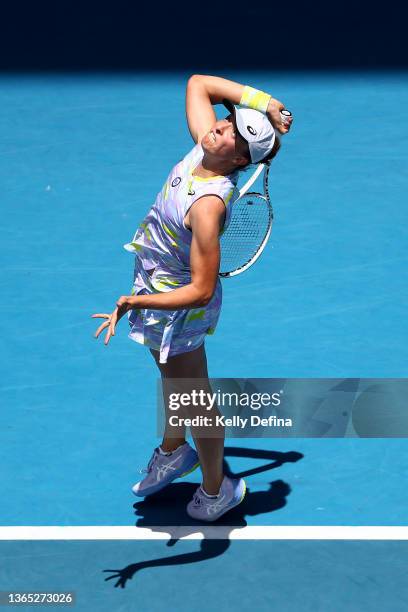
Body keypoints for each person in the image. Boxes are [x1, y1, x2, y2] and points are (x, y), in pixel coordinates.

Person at [92, 75, 292, 522]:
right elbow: (200, 84)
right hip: (155, 288)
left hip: (179, 308)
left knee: (194, 400)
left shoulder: (207, 207)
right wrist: (268, 102)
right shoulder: (204, 148)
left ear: (240, 158)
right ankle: (174, 448)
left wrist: (134, 303)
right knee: (175, 382)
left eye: (230, 133)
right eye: (226, 121)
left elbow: (200, 288)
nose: (219, 127)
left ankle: (217, 488)